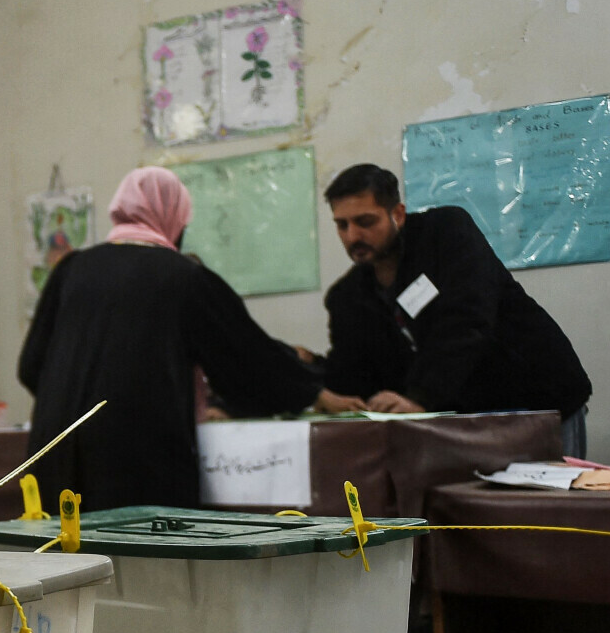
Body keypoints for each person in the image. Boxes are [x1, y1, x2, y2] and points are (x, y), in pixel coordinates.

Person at [18, 166, 363, 512]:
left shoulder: (70, 269)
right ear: (174, 218)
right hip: (134, 465)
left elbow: (31, 367)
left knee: (62, 546)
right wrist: (313, 391)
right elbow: (248, 359)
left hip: (53, 457)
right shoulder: (183, 278)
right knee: (135, 548)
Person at [319, 163, 592, 455]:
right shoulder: (347, 296)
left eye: (365, 222)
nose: (353, 236)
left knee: (551, 486)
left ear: (397, 214)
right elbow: (354, 371)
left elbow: (466, 319)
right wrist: (313, 382)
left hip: (537, 400)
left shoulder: (445, 233)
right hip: (462, 420)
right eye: (342, 225)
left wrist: (420, 396)